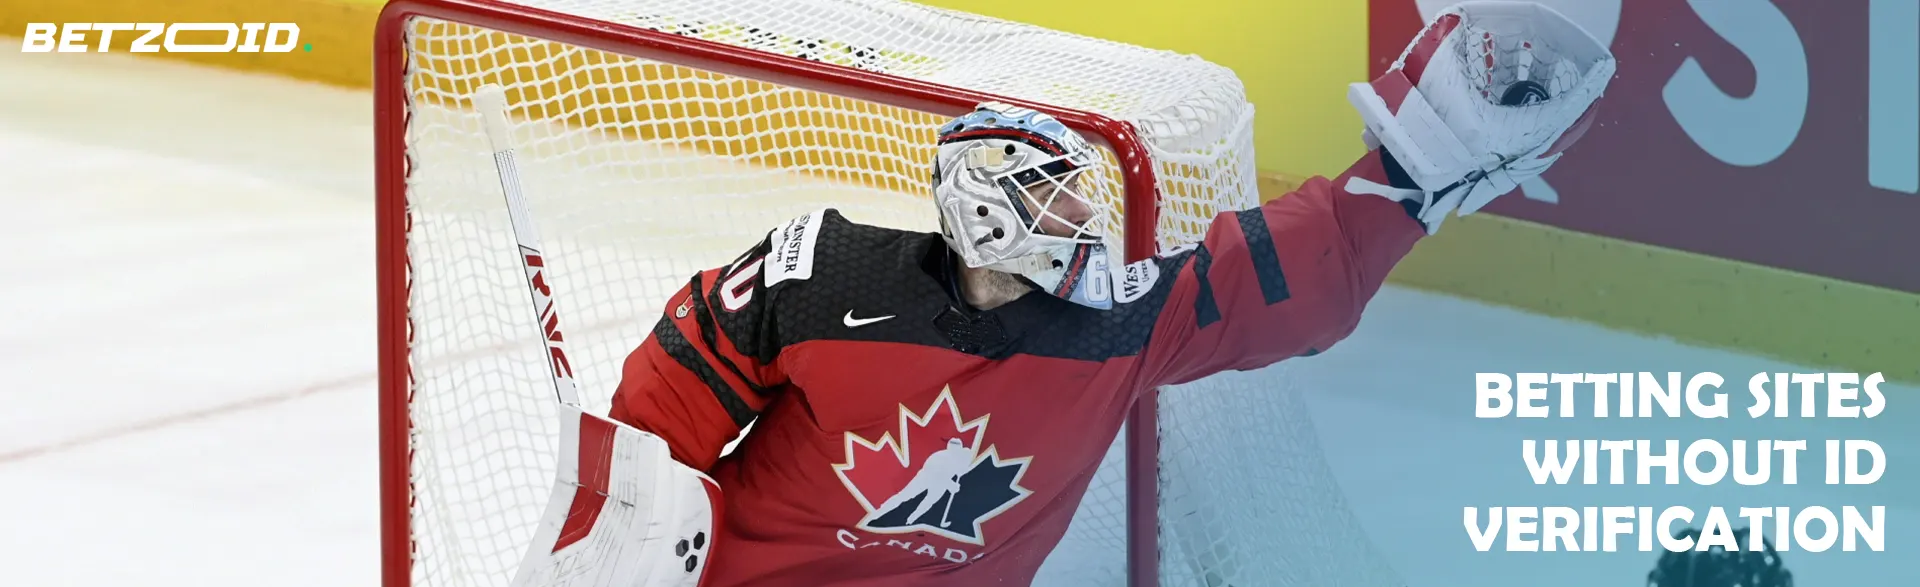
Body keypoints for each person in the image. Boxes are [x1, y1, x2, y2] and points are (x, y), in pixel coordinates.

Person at [599, 3, 1617, 585]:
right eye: (1053, 195)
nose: (1083, 214)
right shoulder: (822, 279)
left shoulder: (1119, 322)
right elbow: (657, 419)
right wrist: (613, 533)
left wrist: (1405, 176)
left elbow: (1285, 278)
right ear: (983, 207)